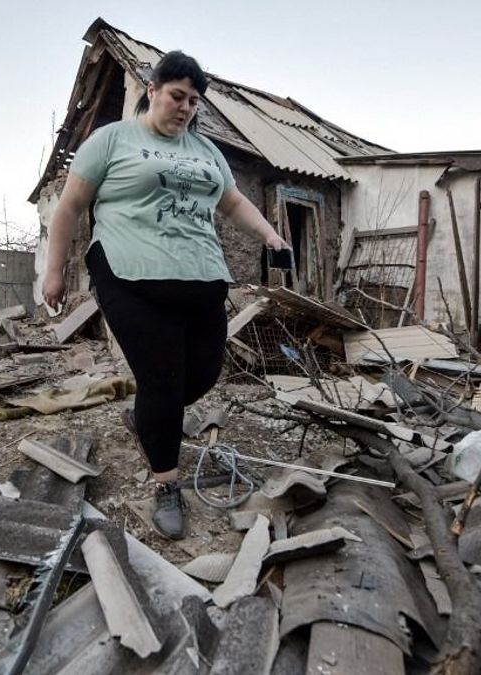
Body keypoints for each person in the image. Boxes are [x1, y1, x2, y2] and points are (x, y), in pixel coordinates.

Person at [41, 51, 290, 539]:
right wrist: (53, 272)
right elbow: (69, 207)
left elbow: (233, 201)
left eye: (194, 101)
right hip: (128, 273)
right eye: (178, 96)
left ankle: (148, 418)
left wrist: (270, 236)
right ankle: (165, 482)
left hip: (201, 275)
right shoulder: (111, 139)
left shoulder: (205, 151)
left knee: (202, 373)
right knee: (161, 378)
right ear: (151, 90)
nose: (186, 108)